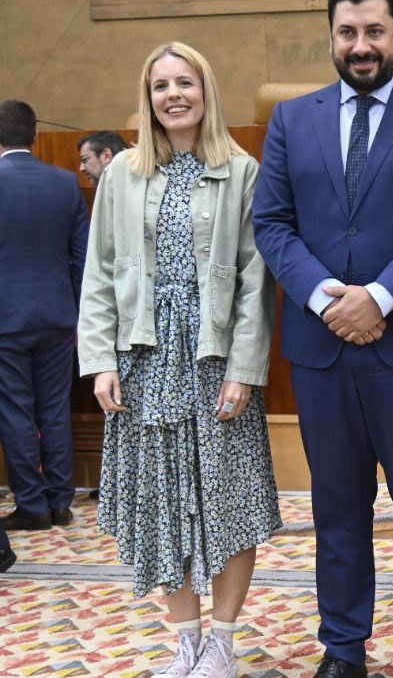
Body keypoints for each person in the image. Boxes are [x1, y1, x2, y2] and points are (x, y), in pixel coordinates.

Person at [252, 0, 393, 678]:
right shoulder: (292, 119)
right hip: (323, 354)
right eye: (348, 32)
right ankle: (343, 650)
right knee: (337, 513)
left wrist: (379, 298)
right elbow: (272, 224)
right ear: (331, 37)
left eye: (375, 32)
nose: (361, 46)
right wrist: (327, 300)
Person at [77, 42, 279, 678]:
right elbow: (100, 274)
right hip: (145, 361)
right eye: (161, 84)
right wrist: (100, 360)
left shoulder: (243, 171)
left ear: (206, 89)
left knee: (229, 499)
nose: (173, 95)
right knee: (161, 502)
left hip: (215, 360)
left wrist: (245, 368)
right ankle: (185, 640)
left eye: (184, 82)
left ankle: (222, 640)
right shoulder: (121, 174)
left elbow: (255, 278)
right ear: (148, 97)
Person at [0, 98, 88, 532]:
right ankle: (61, 502)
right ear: (34, 135)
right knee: (55, 408)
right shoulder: (67, 183)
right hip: (59, 315)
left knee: (16, 410)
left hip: (5, 320)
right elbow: (81, 259)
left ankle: (32, 506)